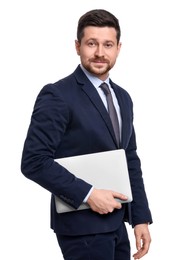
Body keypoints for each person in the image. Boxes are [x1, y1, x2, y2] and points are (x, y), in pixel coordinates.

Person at [21, 9, 153, 260]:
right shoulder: (57, 95)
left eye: (108, 44)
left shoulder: (122, 97)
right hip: (81, 228)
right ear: (77, 46)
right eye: (92, 43)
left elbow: (129, 158)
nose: (100, 53)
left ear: (118, 48)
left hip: (117, 224)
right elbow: (33, 161)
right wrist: (88, 194)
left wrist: (140, 218)